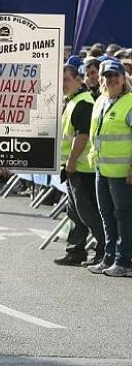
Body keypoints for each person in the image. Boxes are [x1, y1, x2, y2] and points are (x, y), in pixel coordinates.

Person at [53, 65, 105, 266]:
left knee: (89, 214)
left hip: (83, 169)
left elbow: (82, 136)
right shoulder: (73, 100)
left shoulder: (83, 102)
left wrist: (72, 161)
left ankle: (104, 250)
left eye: (66, 79)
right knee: (74, 212)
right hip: (72, 168)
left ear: (78, 80)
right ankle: (76, 250)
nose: (63, 84)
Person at [87, 60, 132, 277]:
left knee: (123, 216)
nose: (112, 79)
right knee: (106, 214)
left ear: (124, 79)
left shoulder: (130, 102)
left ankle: (124, 261)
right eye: (107, 76)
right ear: (102, 80)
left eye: (116, 75)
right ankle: (109, 258)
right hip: (102, 168)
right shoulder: (101, 101)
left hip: (123, 172)